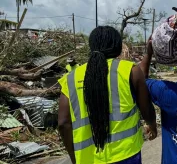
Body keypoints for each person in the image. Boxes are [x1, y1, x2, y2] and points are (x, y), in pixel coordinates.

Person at [57, 26, 157, 164]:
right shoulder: (130, 70)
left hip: (87, 159)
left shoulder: (70, 78)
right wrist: (152, 126)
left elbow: (63, 124)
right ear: (117, 47)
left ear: (91, 46)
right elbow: (146, 109)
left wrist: (75, 159)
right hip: (126, 154)